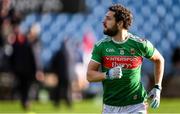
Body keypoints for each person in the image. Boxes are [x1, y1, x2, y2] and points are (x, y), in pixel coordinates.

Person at [86, 4, 164, 113]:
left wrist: (157, 87)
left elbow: (159, 60)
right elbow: (89, 75)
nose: (103, 22)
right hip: (110, 107)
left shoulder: (139, 44)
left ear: (120, 23)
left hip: (136, 105)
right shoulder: (101, 46)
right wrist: (107, 75)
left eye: (108, 19)